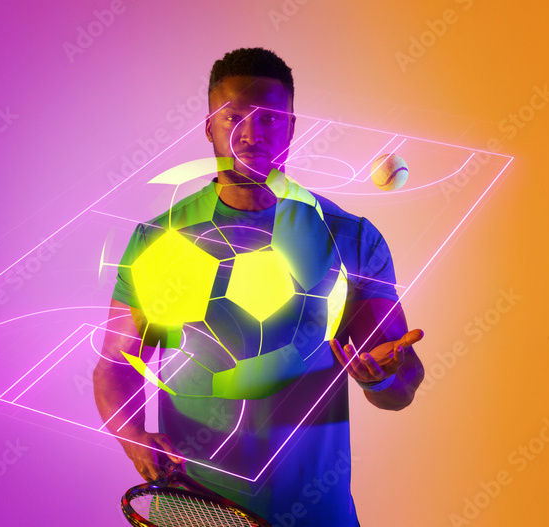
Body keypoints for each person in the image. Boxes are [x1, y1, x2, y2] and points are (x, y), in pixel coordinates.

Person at [93, 47, 424, 526]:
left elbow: (401, 380)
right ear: (209, 126)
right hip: (196, 509)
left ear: (291, 126)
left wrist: (386, 377)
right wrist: (132, 437)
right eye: (233, 117)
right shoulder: (157, 241)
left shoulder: (350, 238)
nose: (250, 134)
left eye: (269, 118)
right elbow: (114, 367)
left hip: (317, 515)